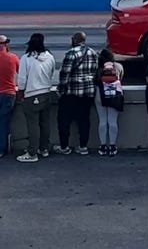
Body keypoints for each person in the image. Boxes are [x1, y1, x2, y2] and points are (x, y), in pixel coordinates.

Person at [54, 32, 98, 156]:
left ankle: (64, 146)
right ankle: (83, 146)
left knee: (64, 120)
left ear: (74, 40)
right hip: (88, 92)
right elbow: (95, 71)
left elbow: (64, 73)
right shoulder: (92, 52)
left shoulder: (71, 53)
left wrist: (62, 89)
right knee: (84, 120)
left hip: (72, 92)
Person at [16, 33, 56, 163]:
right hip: (46, 92)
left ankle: (32, 152)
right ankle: (44, 148)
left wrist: (21, 93)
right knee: (45, 123)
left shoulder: (26, 58)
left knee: (33, 125)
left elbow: (22, 79)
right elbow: (51, 73)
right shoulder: (50, 57)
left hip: (32, 94)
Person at [94, 48, 124, 157]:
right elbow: (121, 79)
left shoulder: (98, 68)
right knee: (112, 121)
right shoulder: (119, 67)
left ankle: (102, 146)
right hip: (114, 95)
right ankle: (112, 146)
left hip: (100, 95)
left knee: (102, 121)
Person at [0, 34, 20, 158]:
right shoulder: (13, 57)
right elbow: (21, 73)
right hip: (9, 93)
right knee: (3, 122)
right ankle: (2, 149)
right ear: (6, 44)